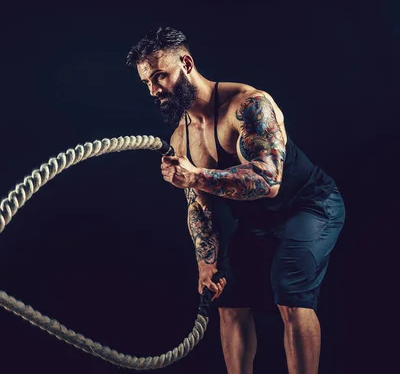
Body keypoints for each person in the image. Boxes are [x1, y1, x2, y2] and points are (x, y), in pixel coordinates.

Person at [125, 27, 345, 374]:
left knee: (289, 291)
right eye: (146, 83)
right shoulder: (181, 138)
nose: (154, 90)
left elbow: (267, 180)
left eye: (159, 77)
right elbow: (199, 207)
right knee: (228, 299)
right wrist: (205, 263)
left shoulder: (248, 105)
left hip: (309, 205)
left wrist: (196, 175)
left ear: (186, 63)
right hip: (257, 222)